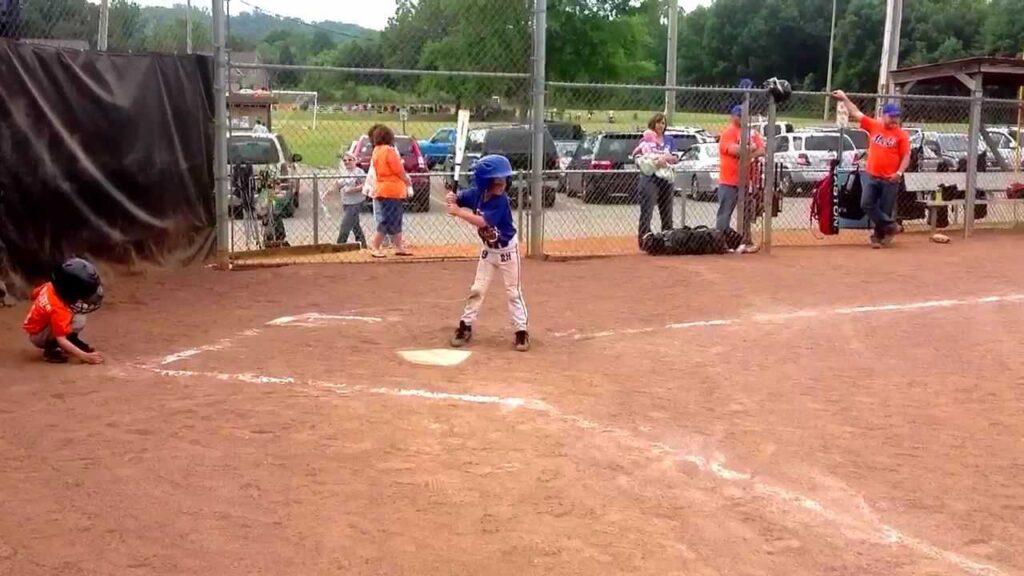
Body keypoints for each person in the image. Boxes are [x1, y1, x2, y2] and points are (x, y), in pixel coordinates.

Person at [445, 154, 530, 352]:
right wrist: (452, 197)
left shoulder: (501, 201)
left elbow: (483, 222)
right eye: (497, 179)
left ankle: (521, 331)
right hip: (489, 251)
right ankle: (465, 326)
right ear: (484, 181)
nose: (502, 183)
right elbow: (457, 198)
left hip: (507, 251)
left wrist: (458, 212)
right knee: (477, 289)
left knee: (513, 292)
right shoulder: (475, 194)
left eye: (504, 179)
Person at [830, 91, 910, 248]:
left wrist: (899, 173)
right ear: (884, 115)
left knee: (885, 210)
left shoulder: (902, 135)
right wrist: (844, 98)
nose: (894, 119)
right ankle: (891, 227)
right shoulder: (875, 125)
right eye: (891, 116)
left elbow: (906, 157)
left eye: (897, 116)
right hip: (873, 176)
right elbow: (856, 113)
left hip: (890, 179)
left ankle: (877, 237)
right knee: (866, 203)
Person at [22, 258, 105, 364]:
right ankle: (51, 349)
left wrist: (44, 308)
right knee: (78, 320)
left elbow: (34, 294)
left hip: (38, 327)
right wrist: (85, 356)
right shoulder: (59, 309)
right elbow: (61, 339)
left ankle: (70, 339)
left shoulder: (51, 286)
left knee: (74, 317)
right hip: (39, 335)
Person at [717, 105, 765, 246]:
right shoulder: (728, 133)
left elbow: (762, 150)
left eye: (744, 115)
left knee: (746, 213)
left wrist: (749, 153)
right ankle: (721, 241)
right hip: (729, 181)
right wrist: (751, 149)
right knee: (725, 212)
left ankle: (745, 240)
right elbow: (734, 150)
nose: (742, 118)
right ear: (733, 117)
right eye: (739, 115)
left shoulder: (752, 133)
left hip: (747, 181)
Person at [368, 125, 413, 258]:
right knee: (388, 220)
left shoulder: (376, 150)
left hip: (383, 188)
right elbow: (398, 170)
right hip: (391, 190)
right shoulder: (389, 151)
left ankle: (398, 247)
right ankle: (375, 246)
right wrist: (407, 180)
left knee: (395, 219)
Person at [635, 113, 678, 246]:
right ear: (653, 124)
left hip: (665, 178)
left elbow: (676, 158)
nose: (661, 125)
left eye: (663, 123)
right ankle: (644, 239)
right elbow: (639, 157)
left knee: (667, 211)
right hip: (650, 178)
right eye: (658, 122)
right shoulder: (646, 140)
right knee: (647, 210)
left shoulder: (670, 140)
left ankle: (667, 239)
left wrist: (666, 159)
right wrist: (655, 162)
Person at [331, 152, 367, 247]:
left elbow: (365, 185)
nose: (347, 162)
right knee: (355, 225)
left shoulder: (359, 172)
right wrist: (330, 192)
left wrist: (353, 190)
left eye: (350, 160)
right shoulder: (345, 172)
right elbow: (339, 184)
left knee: (345, 225)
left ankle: (339, 246)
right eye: (345, 160)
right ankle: (363, 245)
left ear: (355, 161)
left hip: (356, 202)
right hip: (346, 203)